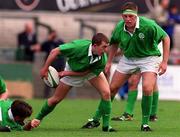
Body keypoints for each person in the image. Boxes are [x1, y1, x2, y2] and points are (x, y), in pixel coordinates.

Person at [83, 2, 170, 132]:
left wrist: (164, 61)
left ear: (136, 16)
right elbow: (114, 44)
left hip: (149, 58)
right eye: (125, 16)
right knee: (111, 89)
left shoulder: (149, 25)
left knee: (147, 87)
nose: (128, 19)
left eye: (131, 16)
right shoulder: (120, 27)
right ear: (122, 16)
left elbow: (166, 37)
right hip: (129, 58)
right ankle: (96, 119)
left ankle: (145, 123)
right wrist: (108, 62)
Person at [30, 33, 116, 132]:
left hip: (88, 71)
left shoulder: (102, 59)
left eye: (107, 47)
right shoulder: (78, 47)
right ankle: (37, 119)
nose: (106, 50)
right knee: (56, 99)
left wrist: (66, 73)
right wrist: (45, 69)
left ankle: (105, 126)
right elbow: (55, 51)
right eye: (104, 47)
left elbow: (86, 72)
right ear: (95, 46)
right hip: (73, 69)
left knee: (106, 93)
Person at [41, 30, 66, 98]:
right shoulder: (48, 42)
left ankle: (58, 95)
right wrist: (49, 40)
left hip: (59, 64)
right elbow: (42, 47)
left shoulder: (59, 41)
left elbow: (61, 48)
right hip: (51, 65)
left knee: (59, 81)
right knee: (48, 80)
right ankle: (46, 96)